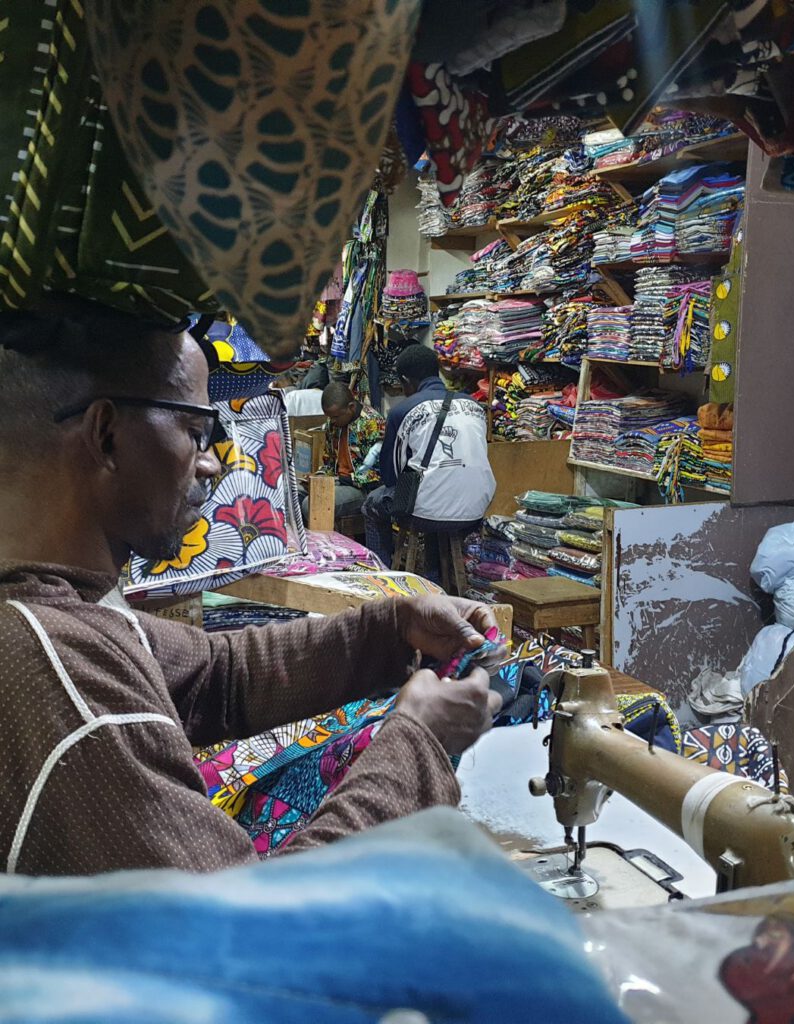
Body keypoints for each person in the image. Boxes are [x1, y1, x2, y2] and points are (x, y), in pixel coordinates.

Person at [0, 297, 502, 876]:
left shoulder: (60, 613)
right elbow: (248, 931)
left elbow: (217, 676)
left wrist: (394, 627)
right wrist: (421, 745)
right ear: (107, 434)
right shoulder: (62, 680)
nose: (212, 464)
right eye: (195, 430)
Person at [363, 345, 496, 574]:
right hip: (476, 509)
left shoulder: (402, 411)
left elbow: (391, 475)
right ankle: (436, 578)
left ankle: (382, 573)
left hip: (428, 512)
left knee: (372, 505)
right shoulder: (475, 406)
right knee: (435, 496)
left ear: (405, 379)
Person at [301, 382, 385, 522]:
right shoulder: (333, 424)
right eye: (329, 417)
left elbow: (378, 474)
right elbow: (329, 462)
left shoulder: (372, 424)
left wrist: (341, 480)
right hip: (338, 482)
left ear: (351, 407)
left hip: (363, 489)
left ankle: (322, 543)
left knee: (311, 504)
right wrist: (318, 477)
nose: (331, 421)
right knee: (292, 493)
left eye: (335, 417)